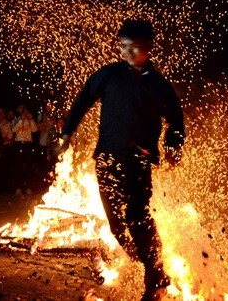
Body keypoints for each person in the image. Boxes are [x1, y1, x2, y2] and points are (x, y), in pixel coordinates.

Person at [57, 19, 185, 301]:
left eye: (133, 47)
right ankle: (144, 261)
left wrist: (174, 145)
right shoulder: (109, 75)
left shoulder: (159, 85)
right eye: (123, 46)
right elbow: (82, 102)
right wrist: (66, 133)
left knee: (137, 216)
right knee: (116, 222)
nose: (126, 52)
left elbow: (175, 119)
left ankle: (155, 274)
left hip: (138, 159)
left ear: (149, 48)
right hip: (107, 157)